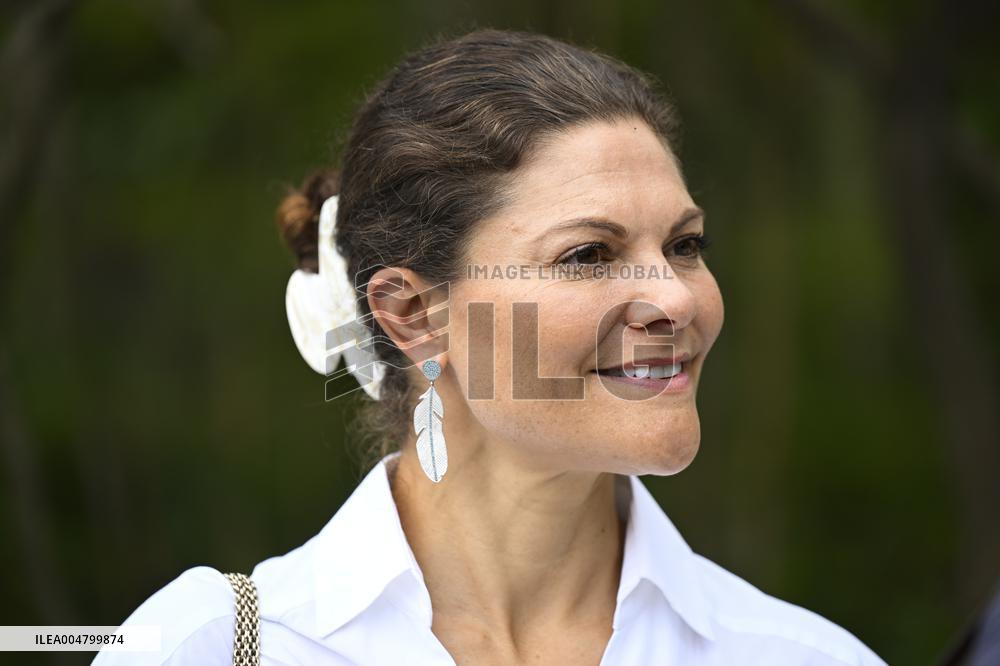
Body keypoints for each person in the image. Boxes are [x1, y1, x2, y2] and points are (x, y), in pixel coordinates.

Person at [95, 28, 887, 665]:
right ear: (413, 314)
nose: (678, 297)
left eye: (685, 244)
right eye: (589, 256)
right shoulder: (206, 649)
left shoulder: (802, 656)